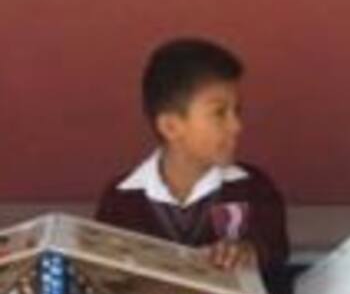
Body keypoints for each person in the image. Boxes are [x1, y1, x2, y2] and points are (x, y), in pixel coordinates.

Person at [96, 38, 288, 272]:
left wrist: (247, 252)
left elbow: (275, 255)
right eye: (219, 113)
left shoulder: (255, 189)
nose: (236, 126)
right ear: (170, 127)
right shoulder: (120, 202)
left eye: (237, 111)